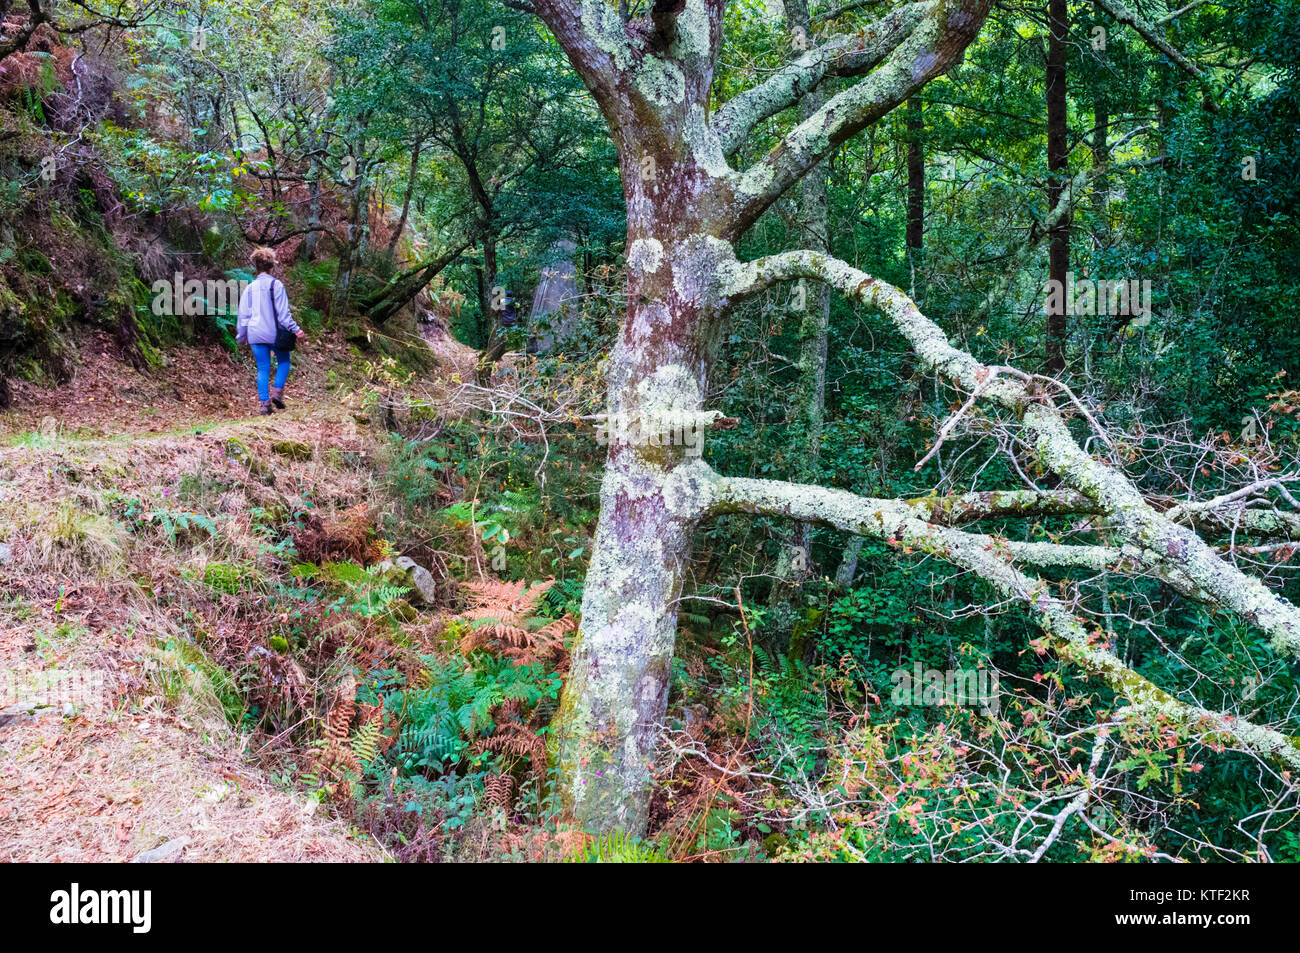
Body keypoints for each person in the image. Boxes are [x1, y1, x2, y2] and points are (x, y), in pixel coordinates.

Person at [236, 247, 305, 415]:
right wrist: (296, 329)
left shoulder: (249, 288)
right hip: (274, 333)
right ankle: (277, 393)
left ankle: (265, 405)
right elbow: (283, 315)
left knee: (262, 368)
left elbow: (243, 316)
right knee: (284, 362)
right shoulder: (276, 285)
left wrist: (242, 336)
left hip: (254, 333)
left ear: (256, 267)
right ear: (271, 267)